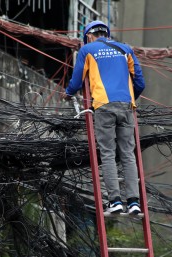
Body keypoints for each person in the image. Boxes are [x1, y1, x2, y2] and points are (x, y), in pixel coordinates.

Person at [62, 20, 145, 214]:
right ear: (106, 34)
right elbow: (140, 81)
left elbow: (76, 81)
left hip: (103, 106)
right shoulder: (126, 49)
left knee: (107, 154)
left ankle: (115, 201)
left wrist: (67, 93)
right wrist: (129, 98)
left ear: (89, 36)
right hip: (126, 106)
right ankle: (134, 202)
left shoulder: (88, 50)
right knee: (127, 155)